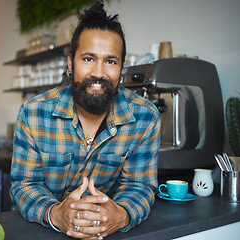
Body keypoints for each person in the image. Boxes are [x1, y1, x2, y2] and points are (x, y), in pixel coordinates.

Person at [10, 1, 161, 239]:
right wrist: (55, 214)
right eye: (89, 59)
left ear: (121, 67)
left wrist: (120, 214)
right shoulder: (33, 113)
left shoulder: (145, 117)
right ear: (71, 63)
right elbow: (24, 185)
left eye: (110, 61)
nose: (99, 73)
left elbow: (140, 186)